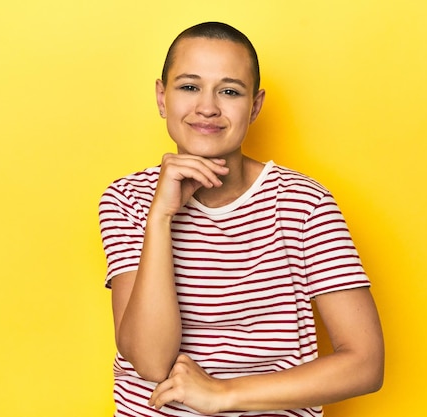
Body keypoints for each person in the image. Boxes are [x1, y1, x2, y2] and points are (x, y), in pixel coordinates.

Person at [99, 21, 384, 417]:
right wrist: (161, 217)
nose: (208, 107)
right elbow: (150, 361)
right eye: (189, 86)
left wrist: (223, 394)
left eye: (229, 91)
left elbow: (365, 363)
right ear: (162, 98)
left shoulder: (305, 203)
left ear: (255, 106)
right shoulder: (127, 199)